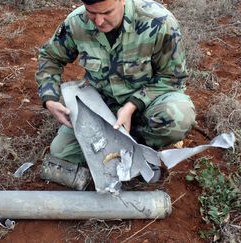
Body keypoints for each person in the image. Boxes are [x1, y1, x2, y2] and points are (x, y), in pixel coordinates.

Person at [36, 0, 196, 187]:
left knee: (178, 117)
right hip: (102, 108)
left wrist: (133, 105)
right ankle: (118, 147)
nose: (99, 22)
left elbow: (172, 77)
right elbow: (50, 57)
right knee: (61, 151)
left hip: (147, 105)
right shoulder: (76, 22)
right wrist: (49, 98)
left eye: (107, 12)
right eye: (92, 13)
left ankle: (140, 148)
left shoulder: (159, 21)